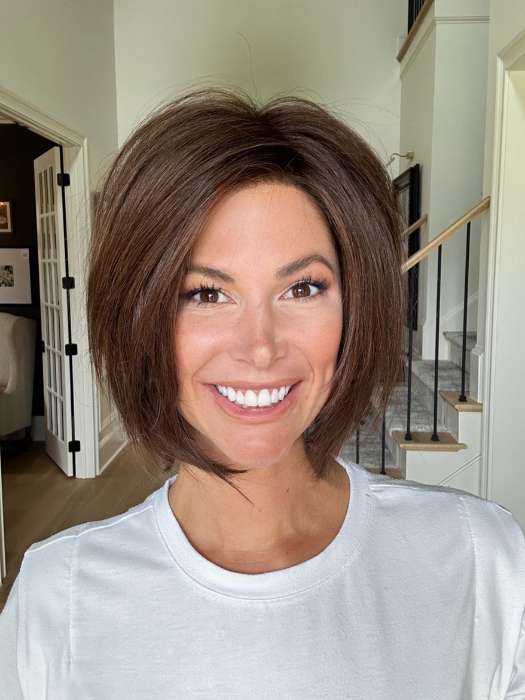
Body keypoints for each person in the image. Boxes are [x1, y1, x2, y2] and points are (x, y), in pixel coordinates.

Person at [0, 86, 524, 699]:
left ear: (355, 308)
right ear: (138, 317)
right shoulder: (59, 597)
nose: (260, 347)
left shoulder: (480, 559)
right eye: (205, 293)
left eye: (302, 288)